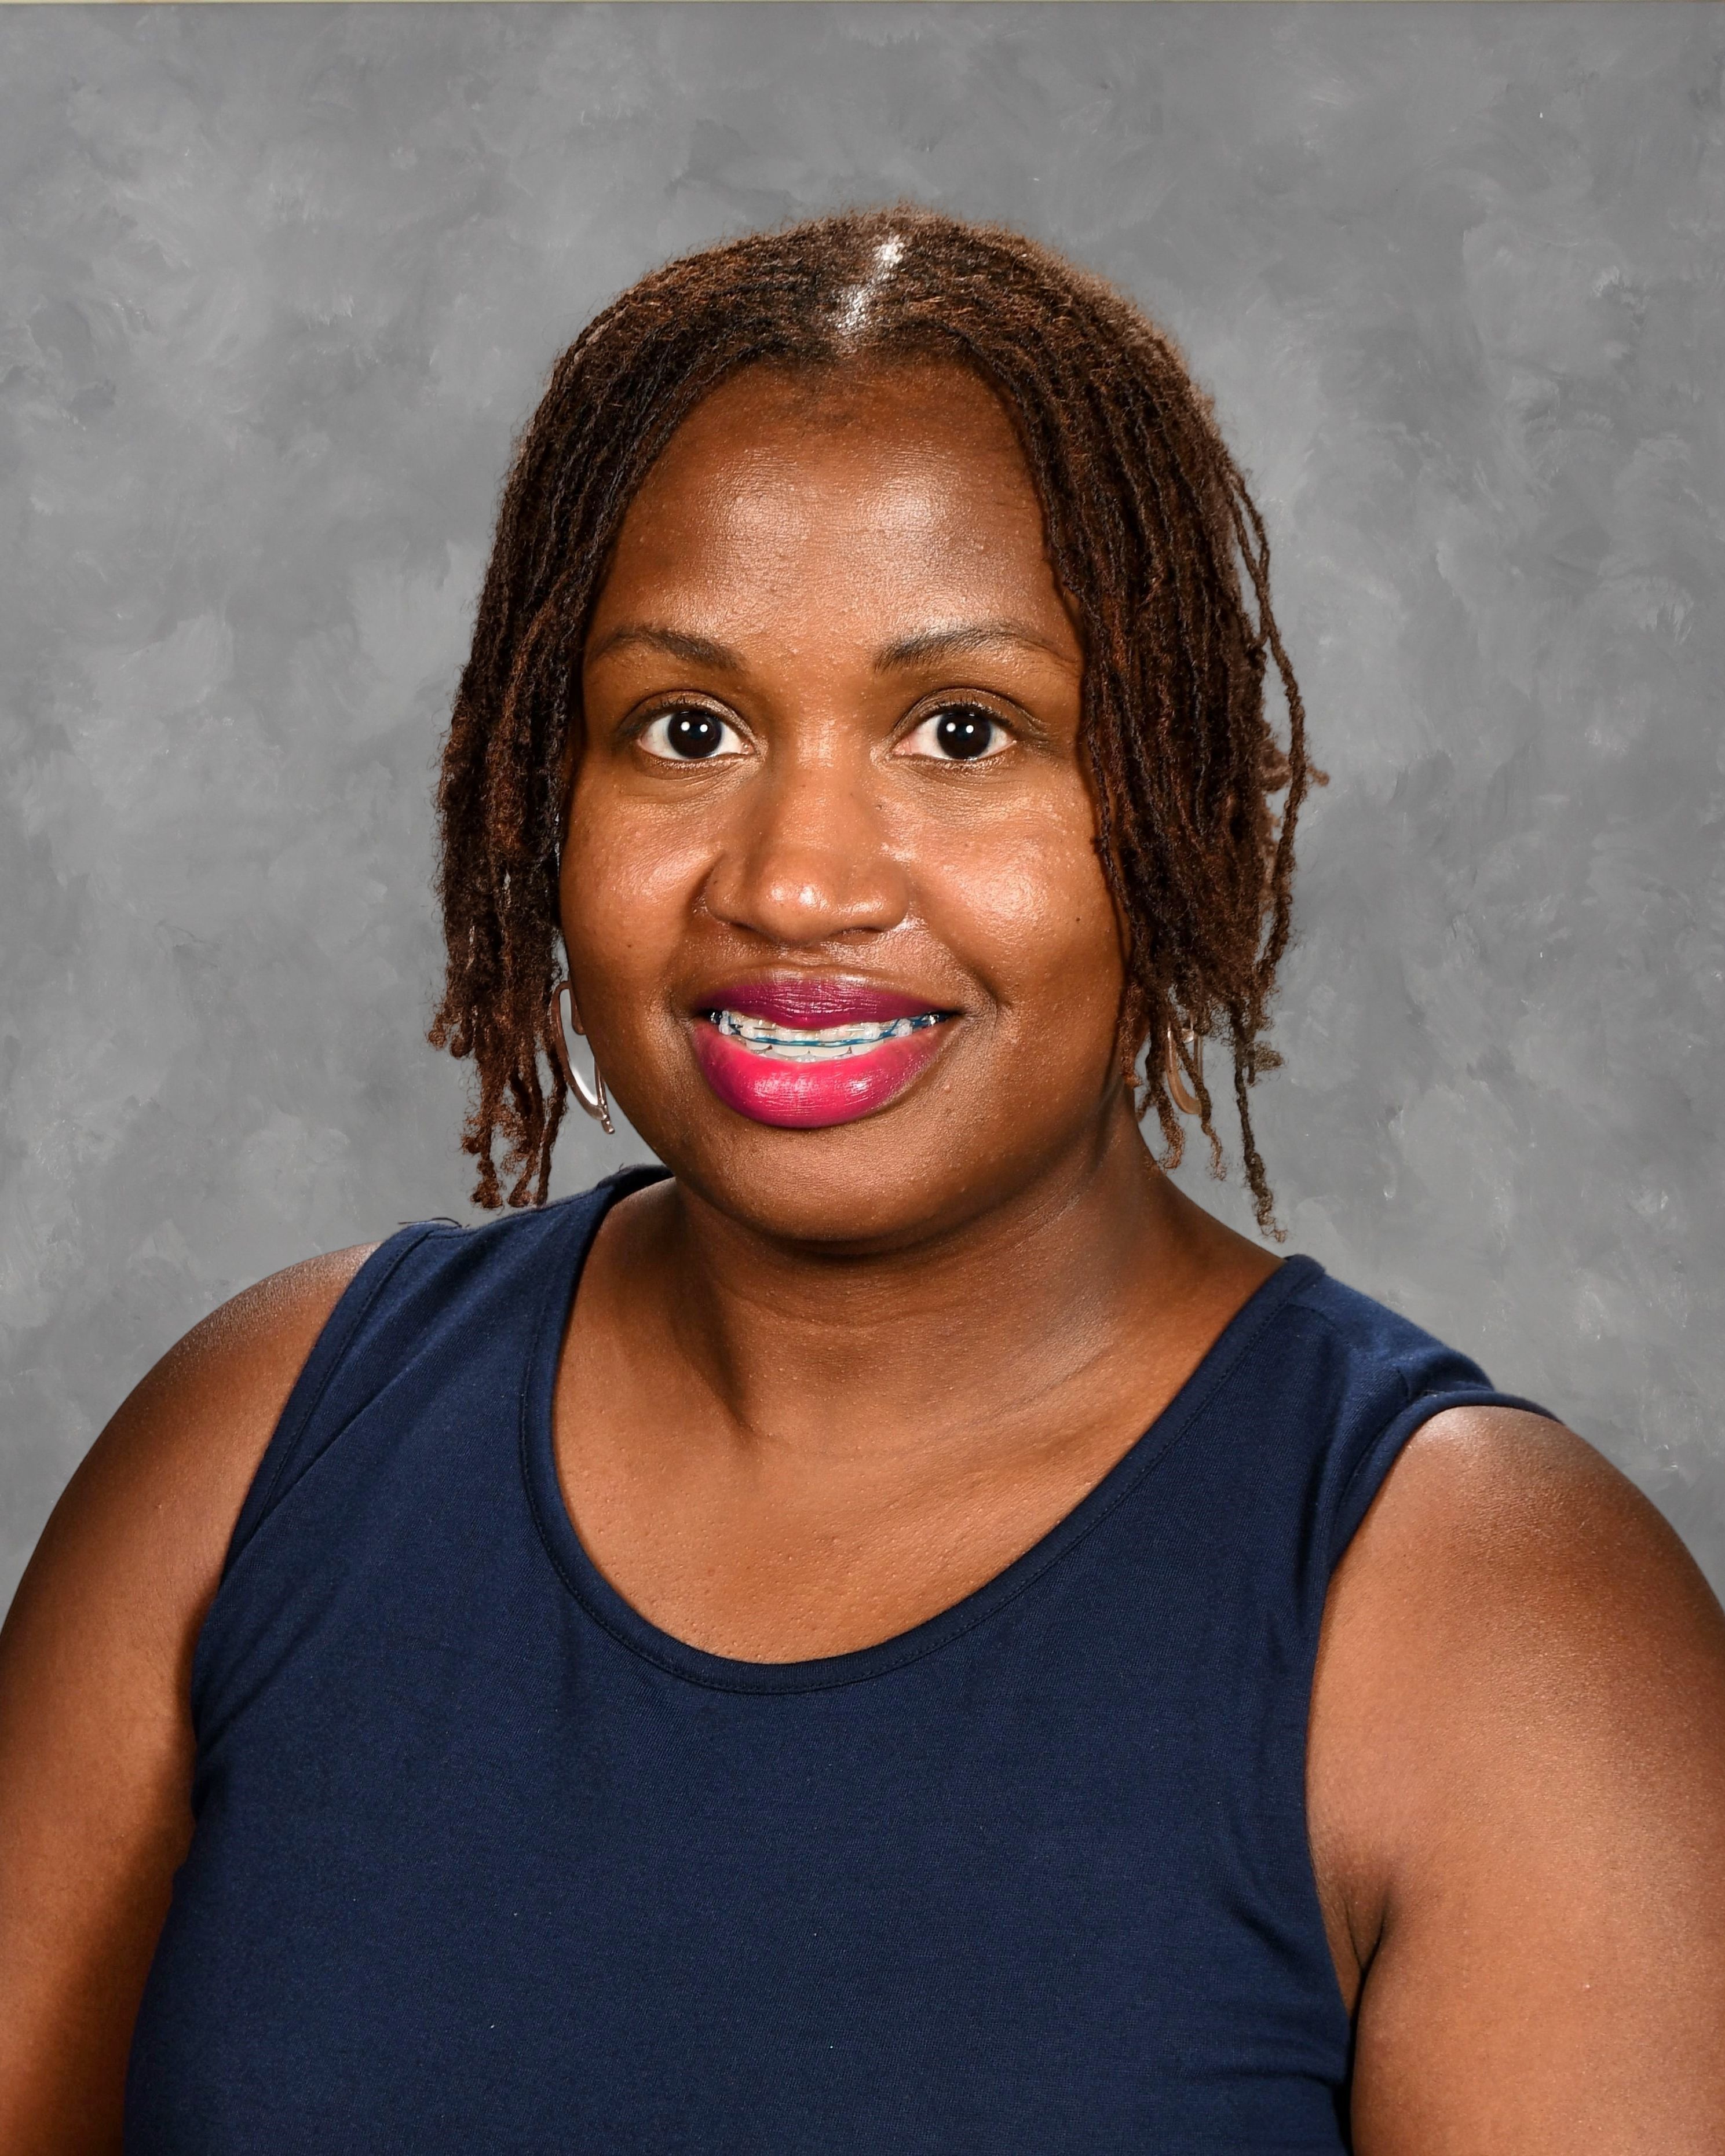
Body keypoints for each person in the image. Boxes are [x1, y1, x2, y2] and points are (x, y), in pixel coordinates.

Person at [2, 207, 1722, 2155]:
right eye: (687, 727)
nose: (796, 881)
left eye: (961, 731)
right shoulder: (258, 1448)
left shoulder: (1486, 1615)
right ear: (540, 786)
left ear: (1171, 790)